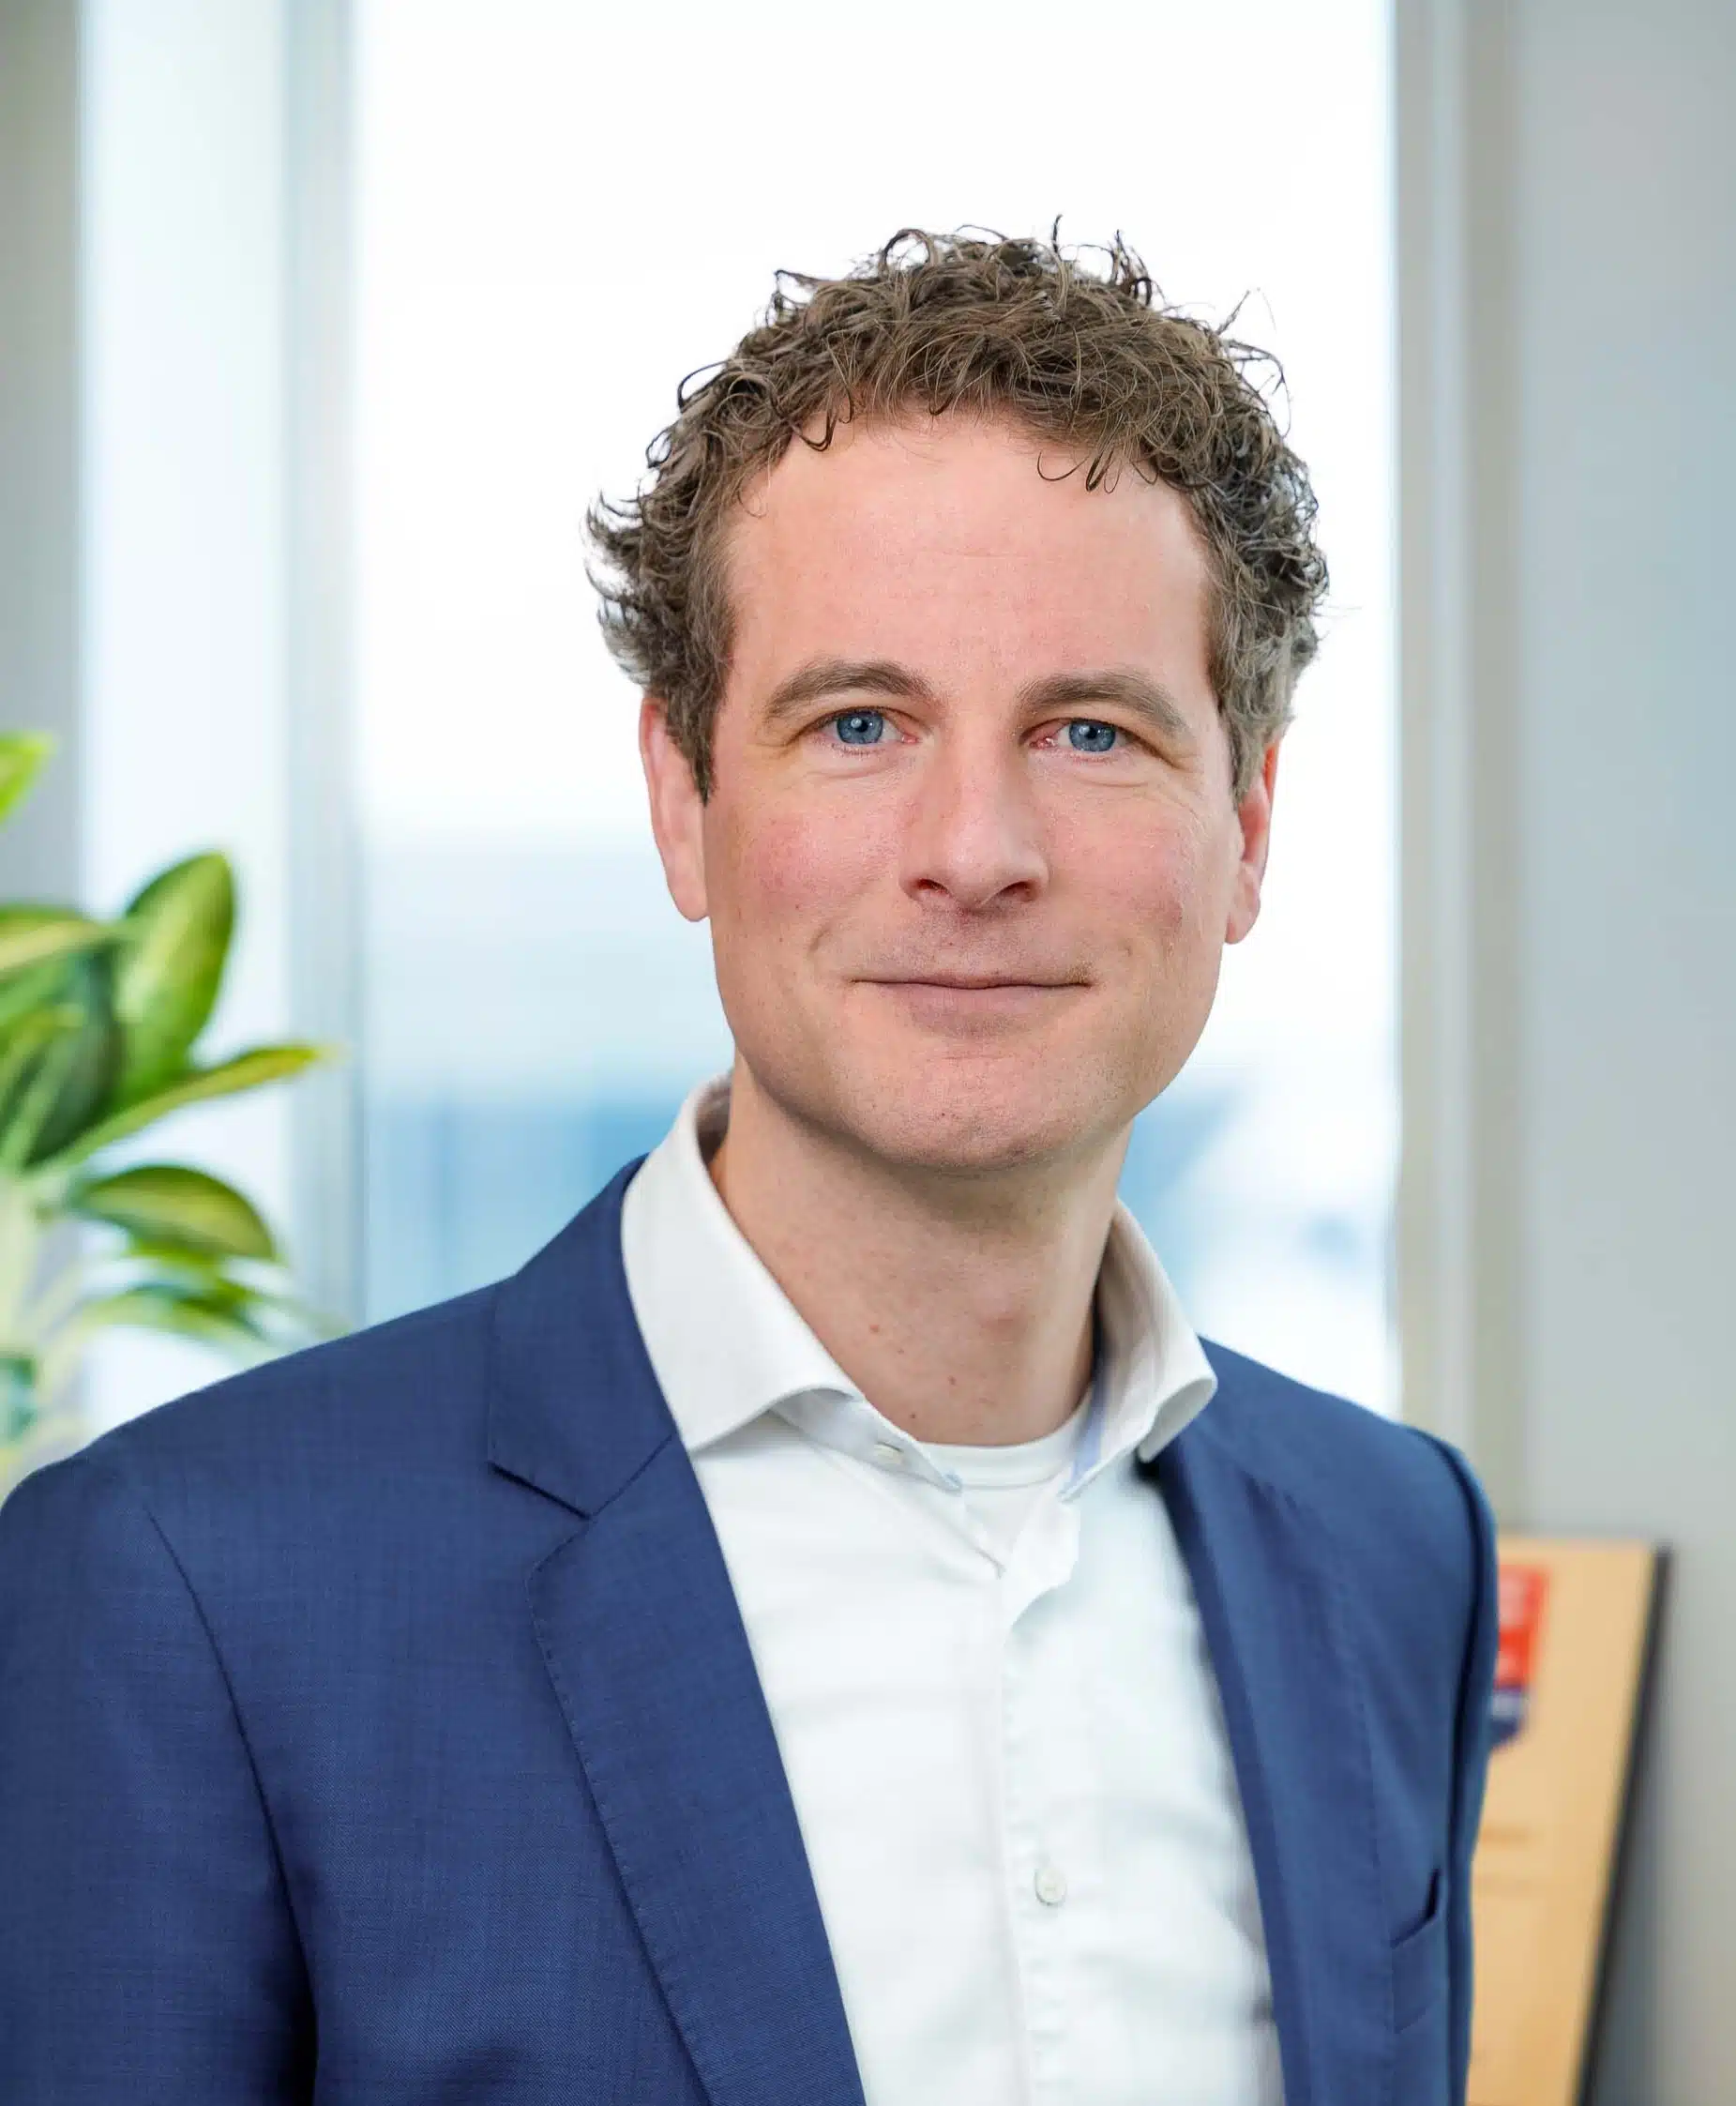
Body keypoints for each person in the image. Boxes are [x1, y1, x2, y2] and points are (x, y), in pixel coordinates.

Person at [0, 230, 1496, 2106]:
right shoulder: (189, 1584)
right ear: (681, 797)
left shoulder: (1394, 1548)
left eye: (1089, 731)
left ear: (1248, 826)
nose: (976, 849)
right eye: (858, 725)